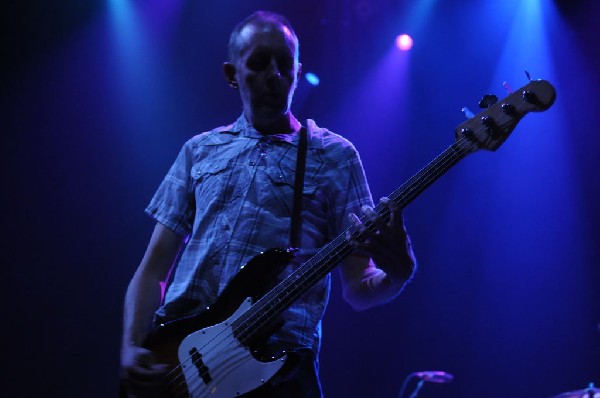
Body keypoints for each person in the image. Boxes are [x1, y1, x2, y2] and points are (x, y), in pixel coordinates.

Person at [120, 10, 416, 398]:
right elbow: (153, 268)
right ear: (232, 74)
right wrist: (131, 346)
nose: (274, 74)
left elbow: (359, 286)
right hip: (178, 359)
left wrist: (396, 274)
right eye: (259, 63)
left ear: (297, 70)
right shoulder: (199, 150)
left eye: (284, 63)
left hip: (274, 371)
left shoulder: (335, 156)